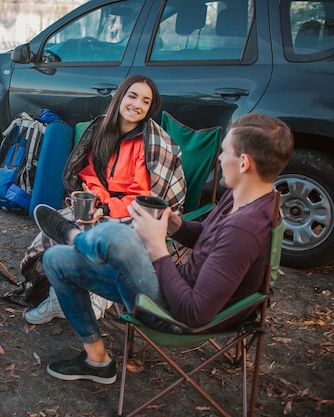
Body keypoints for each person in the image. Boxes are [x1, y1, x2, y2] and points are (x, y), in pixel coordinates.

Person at [32, 113, 294, 384]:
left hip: (176, 314)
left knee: (119, 236)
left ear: (243, 163)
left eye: (224, 151)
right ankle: (96, 360)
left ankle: (74, 236)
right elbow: (207, 237)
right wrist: (173, 222)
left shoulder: (245, 230)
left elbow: (194, 313)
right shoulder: (244, 195)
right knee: (55, 259)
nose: (218, 158)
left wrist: (157, 246)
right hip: (174, 287)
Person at [22, 74, 186, 325]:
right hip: (104, 204)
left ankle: (96, 300)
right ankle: (58, 297)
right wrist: (96, 203)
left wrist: (108, 208)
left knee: (103, 238)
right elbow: (90, 174)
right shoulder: (101, 131)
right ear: (120, 97)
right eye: (132, 96)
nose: (137, 105)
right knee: (61, 227)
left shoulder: (149, 143)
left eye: (145, 101)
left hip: (138, 212)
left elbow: (143, 194)